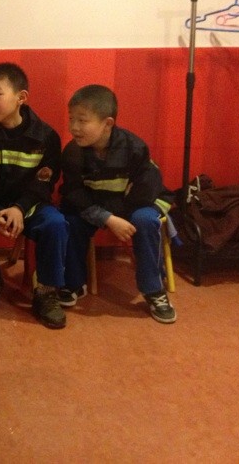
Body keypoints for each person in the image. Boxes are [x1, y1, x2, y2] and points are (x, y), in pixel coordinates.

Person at [0, 62, 70, 329]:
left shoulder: (45, 136)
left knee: (55, 223)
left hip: (29, 204)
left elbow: (45, 183)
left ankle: (46, 292)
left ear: (21, 97)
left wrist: (20, 207)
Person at [60, 84, 177, 324]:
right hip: (98, 208)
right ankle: (74, 283)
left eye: (82, 121)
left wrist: (117, 216)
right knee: (71, 220)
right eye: (71, 119)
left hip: (135, 206)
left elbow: (145, 192)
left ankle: (154, 291)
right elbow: (74, 194)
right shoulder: (72, 152)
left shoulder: (134, 148)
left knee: (145, 220)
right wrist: (107, 218)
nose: (74, 127)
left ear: (108, 123)